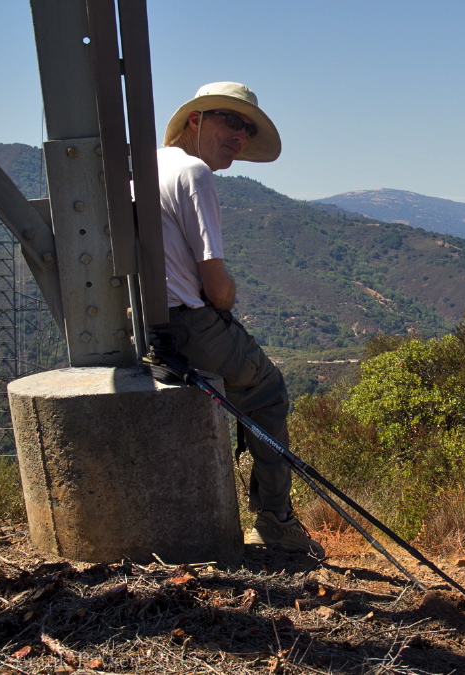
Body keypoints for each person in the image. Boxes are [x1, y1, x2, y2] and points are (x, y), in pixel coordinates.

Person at [156, 81, 323, 558]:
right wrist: (228, 297)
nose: (240, 135)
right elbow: (217, 288)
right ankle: (275, 521)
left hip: (142, 325)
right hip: (190, 325)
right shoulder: (194, 173)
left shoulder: (142, 166)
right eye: (232, 121)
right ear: (196, 120)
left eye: (247, 128)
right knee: (268, 391)